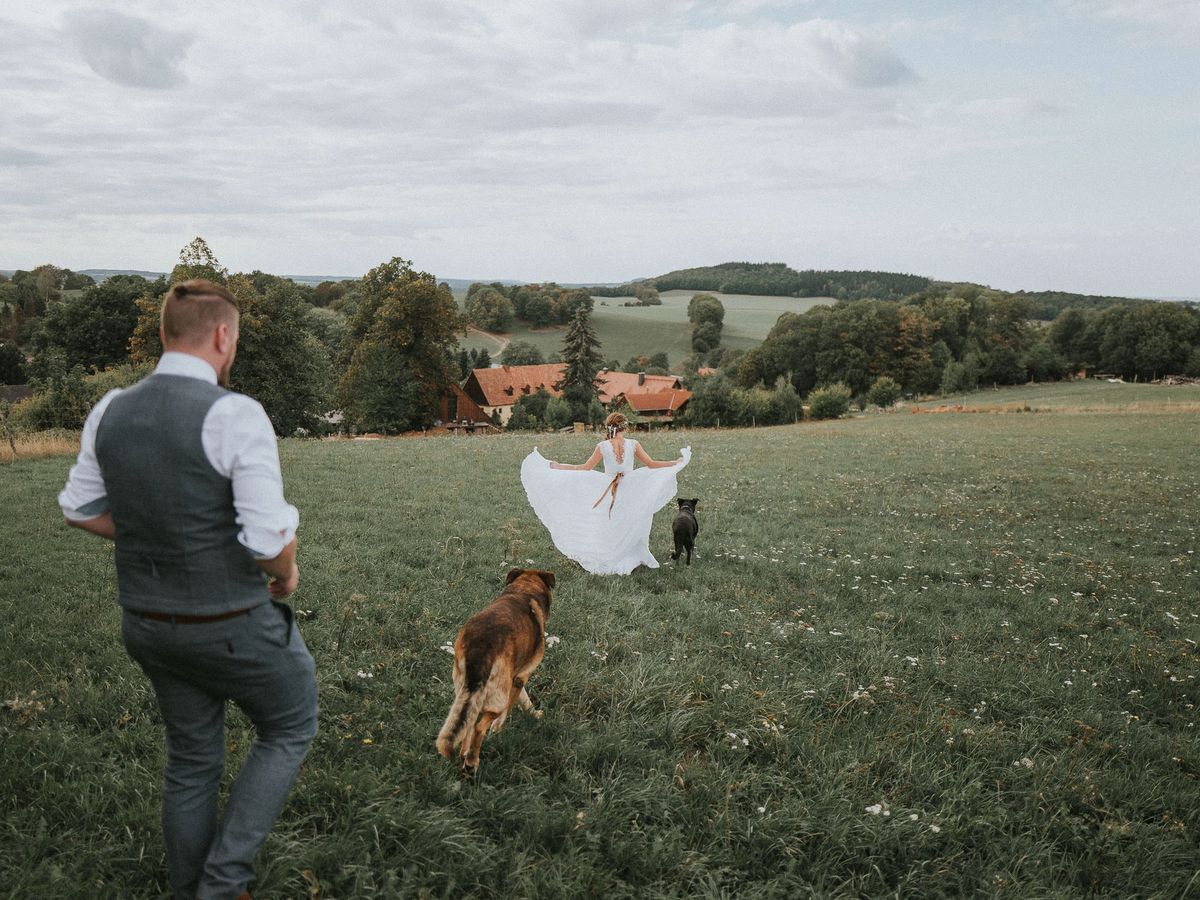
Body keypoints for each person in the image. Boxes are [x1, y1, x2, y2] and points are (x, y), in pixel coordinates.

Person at [58, 279, 318, 900]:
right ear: (224, 336)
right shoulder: (235, 413)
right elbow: (265, 543)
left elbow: (78, 508)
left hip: (147, 623)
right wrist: (286, 574)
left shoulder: (110, 407)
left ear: (163, 334)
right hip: (226, 620)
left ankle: (188, 888)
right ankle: (223, 885)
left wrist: (153, 533)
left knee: (193, 758)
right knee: (290, 722)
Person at [520, 412, 690, 575]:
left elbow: (584, 468)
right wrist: (673, 463)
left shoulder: (602, 446)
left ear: (609, 428)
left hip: (608, 487)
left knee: (611, 521)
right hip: (631, 486)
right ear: (624, 428)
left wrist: (558, 466)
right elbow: (652, 464)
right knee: (633, 518)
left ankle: (615, 552)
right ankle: (630, 552)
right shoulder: (633, 444)